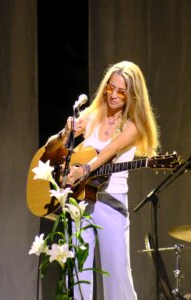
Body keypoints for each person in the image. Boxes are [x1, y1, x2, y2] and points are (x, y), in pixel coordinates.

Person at [45, 61, 160, 299]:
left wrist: (85, 169)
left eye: (121, 91)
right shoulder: (92, 116)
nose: (114, 95)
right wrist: (65, 133)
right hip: (81, 203)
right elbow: (50, 149)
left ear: (132, 96)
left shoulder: (133, 126)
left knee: (116, 279)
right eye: (111, 88)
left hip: (112, 204)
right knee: (78, 275)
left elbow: (108, 152)